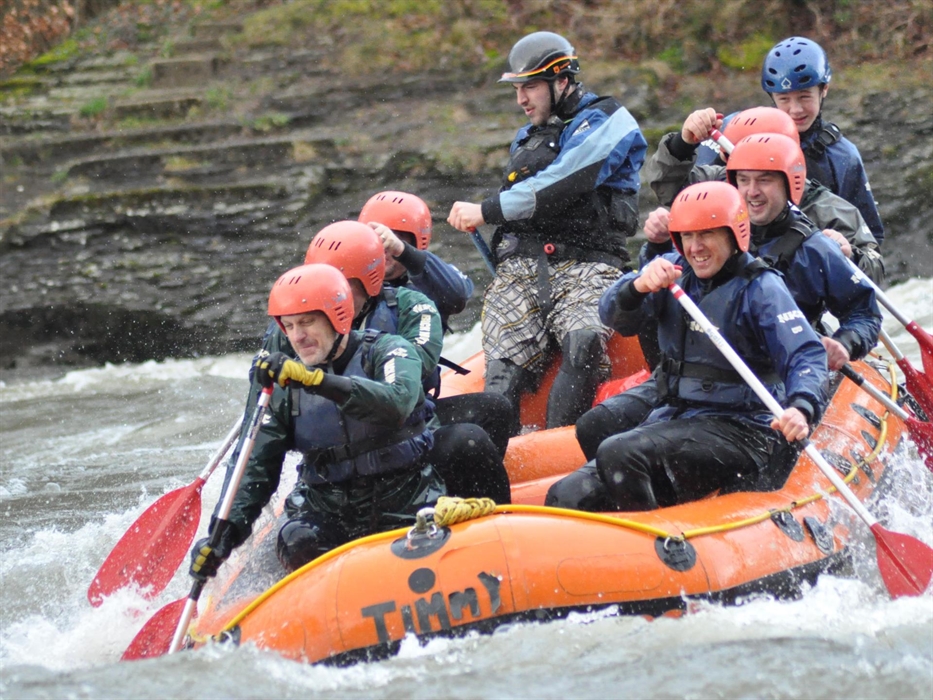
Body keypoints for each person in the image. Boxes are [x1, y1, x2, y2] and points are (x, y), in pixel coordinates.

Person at [569, 133, 881, 492]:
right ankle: (645, 499)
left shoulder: (794, 263)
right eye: (743, 181)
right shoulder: (680, 264)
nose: (753, 191)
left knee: (622, 451)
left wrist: (842, 346)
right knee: (594, 438)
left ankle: (674, 510)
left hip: (752, 398)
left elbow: (837, 329)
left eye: (764, 179)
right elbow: (619, 316)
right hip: (682, 393)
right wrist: (640, 276)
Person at [546, 181, 828, 512]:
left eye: (706, 234)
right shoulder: (673, 272)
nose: (695, 248)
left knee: (620, 452)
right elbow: (614, 316)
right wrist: (636, 287)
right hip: (678, 413)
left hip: (743, 426)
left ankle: (660, 540)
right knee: (564, 495)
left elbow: (805, 355)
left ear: (733, 234)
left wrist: (802, 406)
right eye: (687, 236)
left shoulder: (762, 289)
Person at [447, 31, 648, 432]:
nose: (522, 99)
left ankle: (561, 443)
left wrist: (486, 210)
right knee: (502, 368)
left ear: (562, 81)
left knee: (583, 343)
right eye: (518, 88)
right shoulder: (527, 137)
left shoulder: (613, 121)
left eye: (531, 87)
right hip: (523, 269)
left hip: (590, 266)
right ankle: (492, 460)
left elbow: (564, 181)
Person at [190, 264, 446, 576]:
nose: (298, 336)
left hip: (408, 499)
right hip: (333, 511)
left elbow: (396, 403)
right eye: (289, 326)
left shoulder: (389, 350)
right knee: (296, 538)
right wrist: (223, 536)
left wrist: (316, 381)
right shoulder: (283, 389)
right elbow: (255, 464)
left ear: (338, 316)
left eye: (307, 322)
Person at [250, 220, 511, 504]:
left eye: (341, 283)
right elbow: (259, 425)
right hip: (334, 457)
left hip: (401, 436)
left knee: (483, 421)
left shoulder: (410, 304)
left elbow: (410, 381)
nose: (332, 291)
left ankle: (464, 499)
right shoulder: (290, 329)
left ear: (369, 278)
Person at [643, 105, 884, 284]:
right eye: (742, 174)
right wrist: (683, 143)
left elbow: (874, 267)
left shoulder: (826, 209)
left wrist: (849, 255)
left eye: (764, 176)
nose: (751, 190)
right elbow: (667, 186)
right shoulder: (719, 183)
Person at [695, 37, 884, 246]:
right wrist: (685, 142)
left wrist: (848, 250)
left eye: (804, 97)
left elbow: (871, 239)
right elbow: (689, 198)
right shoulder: (733, 131)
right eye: (784, 99)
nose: (795, 110)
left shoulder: (843, 156)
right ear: (772, 97)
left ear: (824, 90)